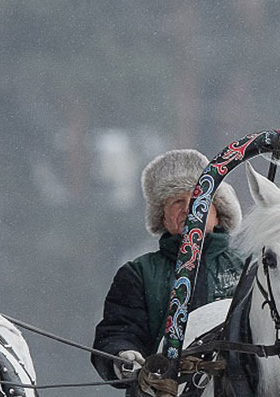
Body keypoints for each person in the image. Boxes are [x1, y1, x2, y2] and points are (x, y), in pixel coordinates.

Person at [92, 149, 246, 381]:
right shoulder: (138, 274)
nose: (188, 208)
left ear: (218, 214)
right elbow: (118, 331)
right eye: (177, 201)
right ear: (162, 217)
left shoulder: (249, 267)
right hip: (163, 396)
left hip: (239, 395)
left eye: (198, 199)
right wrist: (123, 355)